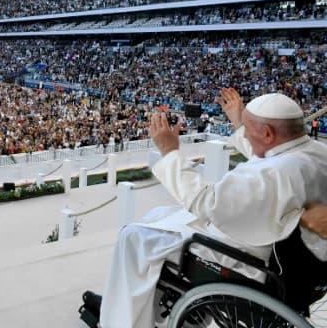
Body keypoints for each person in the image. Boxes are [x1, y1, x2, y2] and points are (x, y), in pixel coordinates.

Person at [85, 88, 327, 328]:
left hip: (246, 259)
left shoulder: (276, 172)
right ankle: (142, 307)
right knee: (159, 217)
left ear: (267, 132)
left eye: (248, 128)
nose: (244, 135)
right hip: (298, 267)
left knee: (133, 236)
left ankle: (121, 321)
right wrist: (238, 119)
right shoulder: (314, 152)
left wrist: (170, 153)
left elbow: (205, 202)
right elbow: (264, 151)